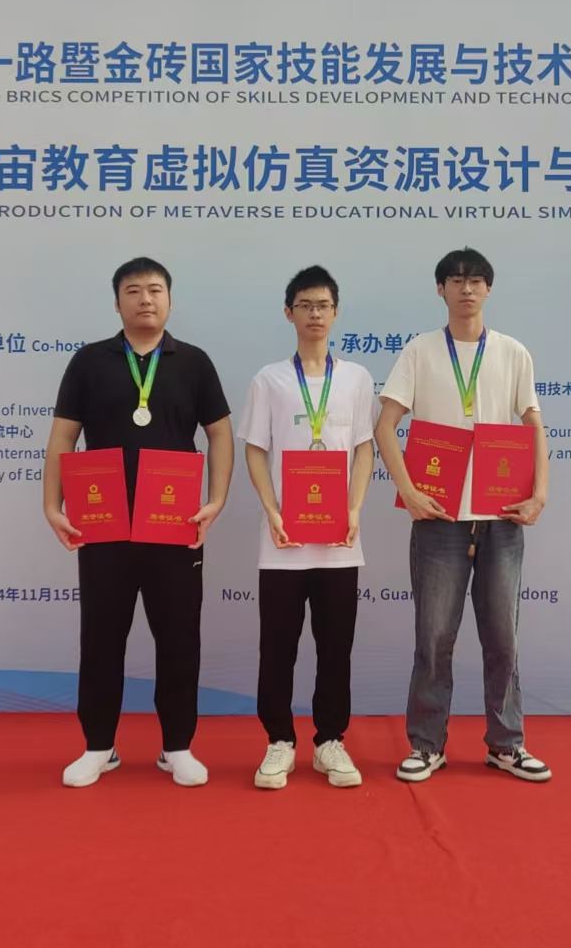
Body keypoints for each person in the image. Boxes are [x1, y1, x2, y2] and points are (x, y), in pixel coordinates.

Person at [43, 257, 233, 788]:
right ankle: (98, 747)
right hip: (102, 525)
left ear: (170, 300)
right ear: (117, 302)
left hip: (175, 526)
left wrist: (216, 499)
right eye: (133, 291)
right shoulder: (89, 362)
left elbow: (220, 432)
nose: (145, 299)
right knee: (101, 638)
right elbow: (63, 436)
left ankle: (177, 747)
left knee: (179, 638)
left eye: (154, 290)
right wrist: (52, 505)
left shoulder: (193, 362)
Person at [374, 248, 552, 784]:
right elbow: (385, 426)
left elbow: (534, 425)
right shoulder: (419, 351)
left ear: (488, 289)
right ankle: (427, 745)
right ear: (441, 290)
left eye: (476, 280)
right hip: (439, 518)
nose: (466, 288)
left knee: (504, 639)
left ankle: (506, 744)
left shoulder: (513, 352)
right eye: (455, 280)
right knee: (433, 639)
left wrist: (539, 494)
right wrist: (408, 491)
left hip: (502, 516)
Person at [238, 266, 377, 790]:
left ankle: (329, 742)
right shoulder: (269, 379)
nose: (315, 313)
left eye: (323, 305)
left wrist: (355, 508)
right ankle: (279, 741)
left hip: (340, 542)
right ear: (289, 313)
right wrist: (272, 510)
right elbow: (255, 449)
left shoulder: (357, 378)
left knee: (335, 647)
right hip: (283, 543)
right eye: (305, 305)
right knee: (277, 647)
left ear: (336, 313)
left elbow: (364, 448)